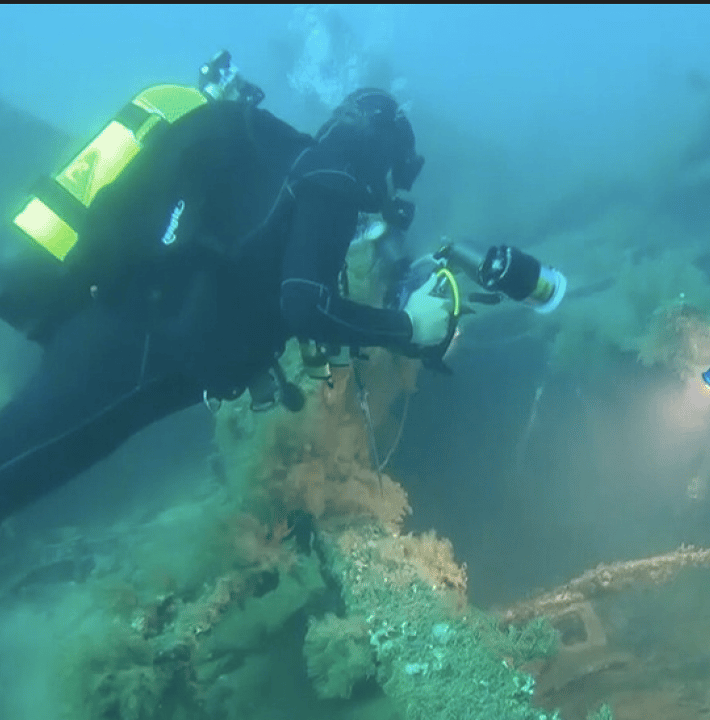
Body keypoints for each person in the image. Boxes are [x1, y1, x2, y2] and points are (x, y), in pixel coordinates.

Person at [0, 63, 454, 520]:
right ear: (381, 152)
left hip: (118, 321)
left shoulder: (278, 156)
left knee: (31, 450)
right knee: (27, 459)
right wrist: (409, 325)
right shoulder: (332, 182)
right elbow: (304, 305)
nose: (387, 198)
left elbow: (249, 272)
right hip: (142, 349)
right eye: (398, 174)